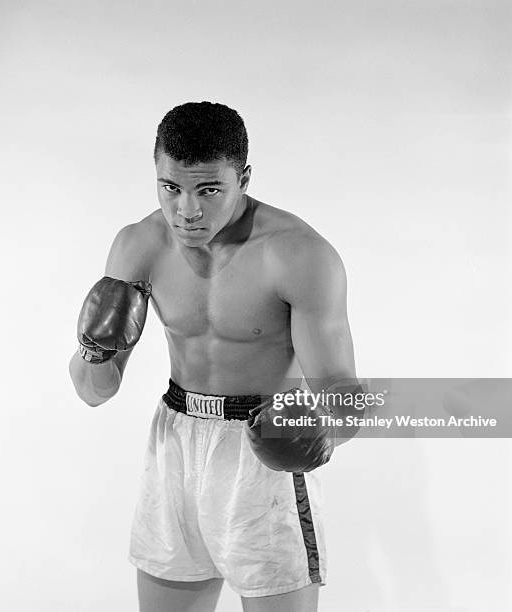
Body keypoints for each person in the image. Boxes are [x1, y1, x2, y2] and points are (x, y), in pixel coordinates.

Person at [69, 101, 363, 612]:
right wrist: (92, 351)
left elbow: (344, 398)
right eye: (171, 188)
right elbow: (96, 393)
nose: (187, 211)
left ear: (243, 177)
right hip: (174, 442)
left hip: (263, 451)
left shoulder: (298, 254)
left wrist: (315, 432)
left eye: (209, 190)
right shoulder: (138, 246)